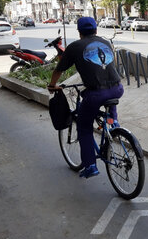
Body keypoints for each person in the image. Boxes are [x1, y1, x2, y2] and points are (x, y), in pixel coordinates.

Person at [47, 17, 124, 179]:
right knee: (109, 104)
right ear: (96, 30)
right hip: (117, 88)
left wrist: (53, 85)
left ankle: (90, 165)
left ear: (79, 32)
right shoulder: (106, 43)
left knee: (84, 127)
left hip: (96, 94)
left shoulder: (75, 47)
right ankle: (113, 123)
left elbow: (58, 70)